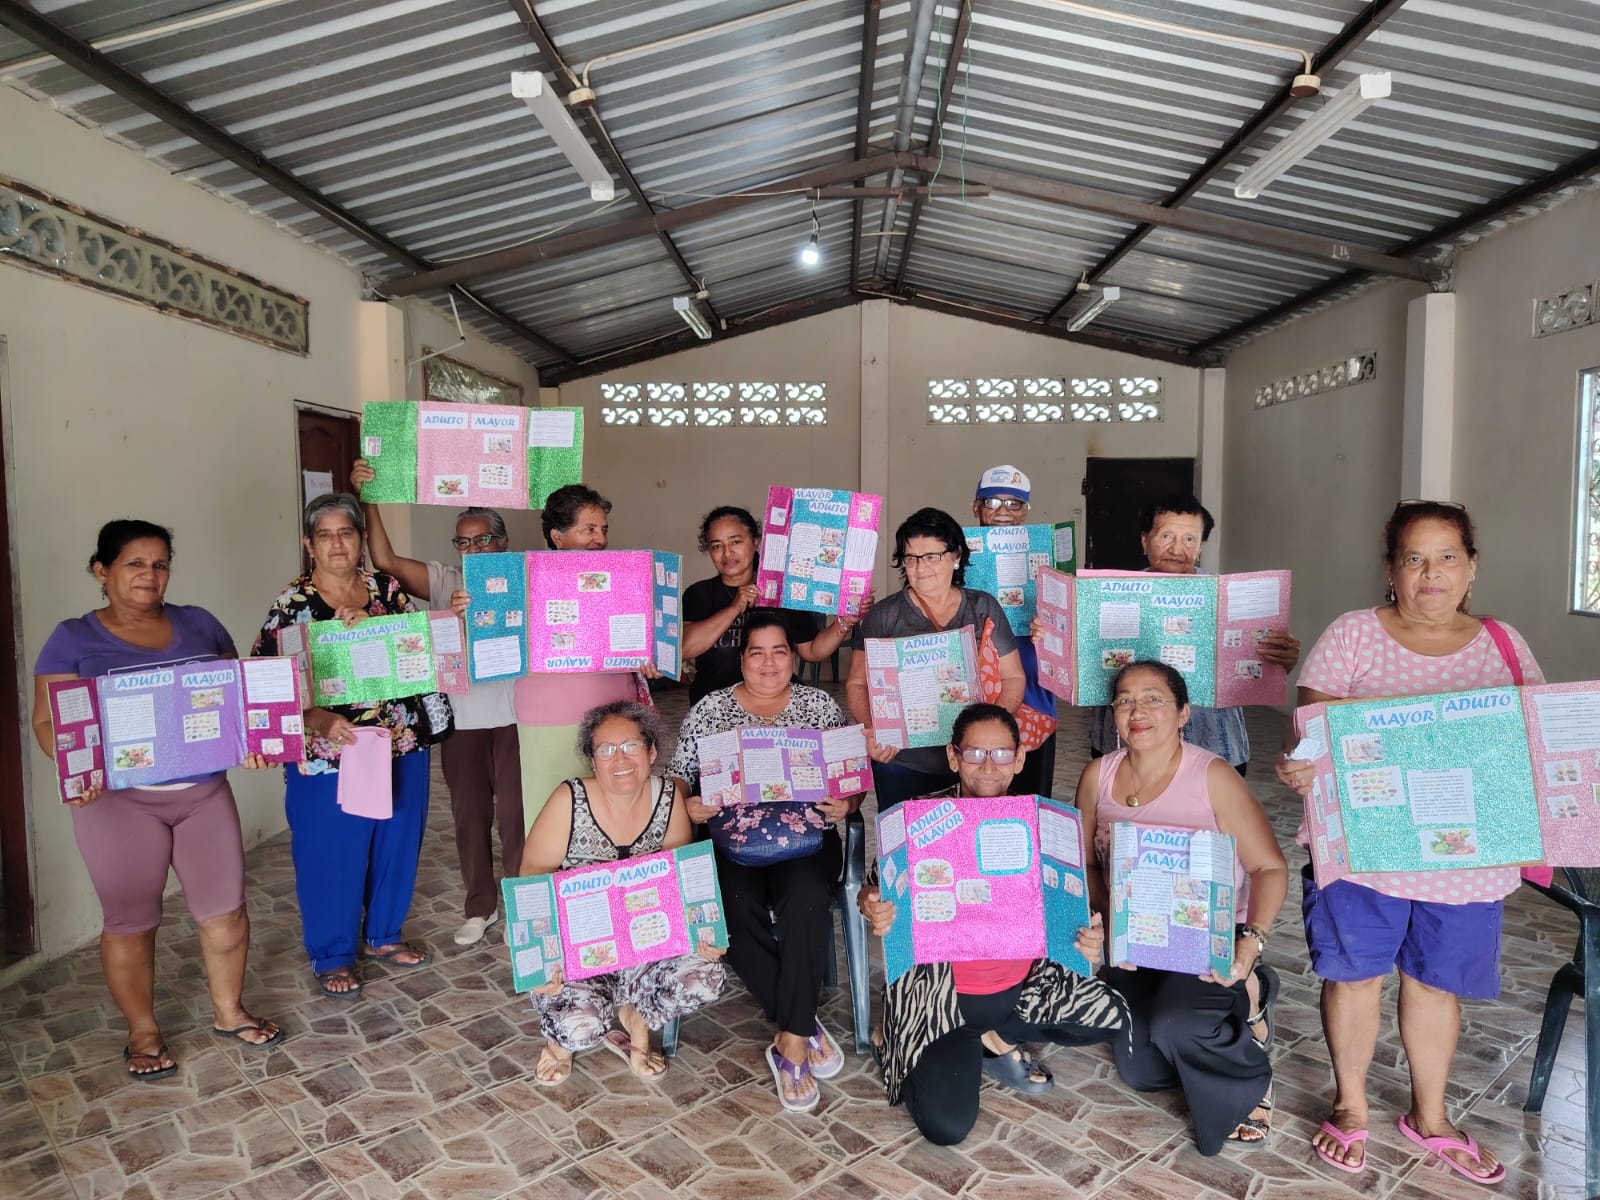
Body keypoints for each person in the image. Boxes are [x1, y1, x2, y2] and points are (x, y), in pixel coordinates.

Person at [1276, 500, 1540, 1185]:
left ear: (1472, 567)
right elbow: (1313, 733)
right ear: (1390, 570)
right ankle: (1352, 1104)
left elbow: (1534, 737)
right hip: (1367, 847)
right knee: (1355, 974)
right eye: (1414, 558)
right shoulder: (1353, 635)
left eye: (1448, 557)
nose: (1432, 573)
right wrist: (1300, 765)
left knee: (1434, 982)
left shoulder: (1504, 644)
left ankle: (1431, 1115)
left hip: (1464, 857)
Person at [31, 520, 280, 1078]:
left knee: (226, 913)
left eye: (160, 564)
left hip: (203, 794)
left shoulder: (200, 624)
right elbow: (48, 723)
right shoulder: (73, 638)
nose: (150, 574)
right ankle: (143, 1032)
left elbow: (238, 698)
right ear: (102, 571)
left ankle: (229, 1011)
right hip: (117, 803)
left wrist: (255, 742)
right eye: (135, 563)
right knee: (131, 921)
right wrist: (77, 767)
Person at [858, 704, 1127, 1145]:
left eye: (1001, 754)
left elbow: (1069, 913)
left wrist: (1086, 939)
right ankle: (900, 1034)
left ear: (1019, 759)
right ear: (953, 757)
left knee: (1108, 1016)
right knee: (947, 1127)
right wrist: (872, 904)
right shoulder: (920, 817)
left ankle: (994, 1036)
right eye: (974, 753)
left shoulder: (1043, 822)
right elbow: (873, 887)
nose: (987, 766)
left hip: (1018, 995)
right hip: (940, 1002)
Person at [1077, 660, 1287, 1155]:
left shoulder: (1211, 776)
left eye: (1154, 699)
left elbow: (1269, 868)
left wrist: (1250, 941)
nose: (1138, 711)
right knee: (1143, 1070)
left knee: (1179, 1026)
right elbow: (1084, 863)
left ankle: (1249, 1041)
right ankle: (1217, 1019)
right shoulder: (1098, 775)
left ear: (1183, 713)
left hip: (1208, 937)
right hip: (1138, 939)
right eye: (1125, 700)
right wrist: (1109, 923)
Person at [666, 611, 861, 1112]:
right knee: (731, 905)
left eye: (779, 651)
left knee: (806, 897)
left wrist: (847, 804)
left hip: (807, 839)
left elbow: (850, 778)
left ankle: (790, 1043)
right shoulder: (710, 710)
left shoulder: (820, 706)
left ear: (793, 658)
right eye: (757, 652)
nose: (769, 663)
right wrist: (688, 804)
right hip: (731, 840)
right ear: (741, 659)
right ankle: (801, 1027)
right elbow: (679, 774)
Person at [253, 493, 442, 999]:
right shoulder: (292, 607)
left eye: (347, 533)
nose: (337, 544)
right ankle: (333, 952)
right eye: (325, 535)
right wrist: (316, 719)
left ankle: (383, 933)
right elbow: (268, 688)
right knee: (331, 850)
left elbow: (421, 652)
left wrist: (379, 628)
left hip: (400, 738)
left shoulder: (386, 590)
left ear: (360, 539)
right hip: (329, 750)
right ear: (308, 544)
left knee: (397, 837)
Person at [351, 458, 521, 947]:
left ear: (502, 542)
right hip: (462, 718)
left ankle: (522, 905)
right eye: (463, 542)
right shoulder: (446, 580)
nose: (473, 549)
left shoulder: (524, 577)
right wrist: (370, 498)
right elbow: (385, 560)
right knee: (470, 818)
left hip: (516, 716)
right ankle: (480, 906)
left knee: (517, 818)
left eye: (483, 540)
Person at [521, 701, 725, 1085]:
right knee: (578, 1030)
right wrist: (540, 963)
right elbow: (531, 882)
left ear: (651, 751)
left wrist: (704, 935)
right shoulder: (569, 800)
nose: (620, 759)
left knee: (705, 976)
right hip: (580, 953)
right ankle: (559, 1047)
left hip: (646, 945)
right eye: (606, 750)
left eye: (631, 746)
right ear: (592, 760)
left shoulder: (668, 799)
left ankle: (637, 1019)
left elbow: (681, 884)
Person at [1088, 496, 1300, 774]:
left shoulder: (1228, 596)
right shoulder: (1108, 594)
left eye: (1189, 539)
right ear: (1144, 540)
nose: (1177, 549)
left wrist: (1281, 660)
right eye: (1166, 536)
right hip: (1125, 743)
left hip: (1214, 743)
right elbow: (1087, 660)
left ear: (1201, 546)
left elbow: (1259, 668)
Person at [846, 507, 1025, 809]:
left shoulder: (982, 607)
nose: (921, 567)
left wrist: (990, 732)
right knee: (908, 835)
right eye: (911, 558)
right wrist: (874, 730)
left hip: (975, 762)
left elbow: (1013, 676)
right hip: (904, 761)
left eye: (931, 556)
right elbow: (856, 683)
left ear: (955, 556)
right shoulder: (884, 615)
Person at [515, 483, 653, 830]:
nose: (600, 539)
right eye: (588, 529)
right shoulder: (525, 579)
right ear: (557, 536)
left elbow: (640, 640)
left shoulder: (622, 579)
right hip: (550, 717)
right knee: (553, 817)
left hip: (615, 712)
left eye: (603, 529)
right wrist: (468, 607)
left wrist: (649, 655)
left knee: (616, 814)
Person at [681, 505, 859, 703]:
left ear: (755, 542)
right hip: (715, 708)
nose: (727, 553)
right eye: (716, 546)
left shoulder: (781, 592)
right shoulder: (700, 594)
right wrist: (734, 608)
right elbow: (684, 648)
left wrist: (845, 621)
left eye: (736, 542)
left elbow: (811, 650)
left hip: (777, 706)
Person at [969, 465, 1058, 796]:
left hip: (1034, 699)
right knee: (975, 790)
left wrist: (1053, 629)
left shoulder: (1048, 562)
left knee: (1029, 795)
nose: (1003, 511)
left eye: (1014, 503)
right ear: (976, 507)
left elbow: (1070, 635)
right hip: (972, 697)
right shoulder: (954, 558)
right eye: (992, 502)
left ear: (1026, 510)